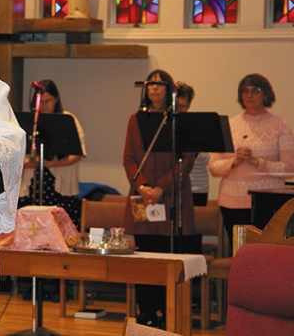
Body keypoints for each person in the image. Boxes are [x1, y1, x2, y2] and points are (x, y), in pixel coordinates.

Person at [123, 69, 197, 328]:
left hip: (172, 197)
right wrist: (143, 186)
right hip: (143, 198)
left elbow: (186, 160)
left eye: (159, 84)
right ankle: (147, 314)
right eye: (150, 84)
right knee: (145, 258)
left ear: (170, 89)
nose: (154, 88)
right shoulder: (136, 119)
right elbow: (129, 158)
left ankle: (169, 312)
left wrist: (161, 187)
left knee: (168, 256)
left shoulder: (180, 120)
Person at [208, 74, 294, 246]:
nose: (249, 95)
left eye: (255, 90)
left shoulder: (280, 125)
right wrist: (234, 161)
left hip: (268, 202)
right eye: (245, 91)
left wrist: (258, 162)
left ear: (266, 94)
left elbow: (290, 169)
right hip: (232, 201)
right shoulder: (229, 125)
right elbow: (214, 167)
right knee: (239, 252)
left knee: (264, 253)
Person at [20, 79, 86, 229]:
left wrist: (56, 163)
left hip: (59, 184)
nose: (44, 106)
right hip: (34, 182)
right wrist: (26, 162)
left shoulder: (67, 119)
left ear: (56, 99)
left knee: (59, 229)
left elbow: (79, 153)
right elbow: (21, 150)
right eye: (41, 102)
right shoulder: (31, 121)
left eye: (48, 101)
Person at [176, 82, 210, 206]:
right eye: (177, 106)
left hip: (197, 187)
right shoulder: (163, 125)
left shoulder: (197, 124)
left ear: (189, 105)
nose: (180, 110)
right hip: (171, 186)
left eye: (184, 106)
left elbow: (210, 158)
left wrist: (194, 151)